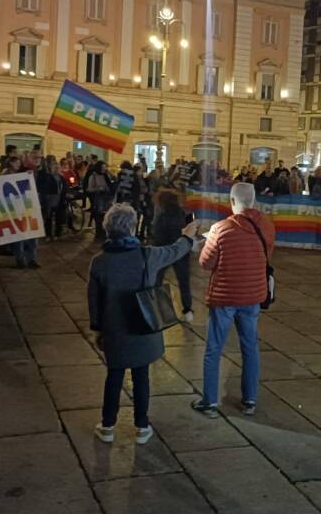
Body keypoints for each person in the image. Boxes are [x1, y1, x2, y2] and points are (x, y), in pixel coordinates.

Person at [88, 204, 199, 444]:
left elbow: (94, 301)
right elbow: (175, 250)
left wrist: (97, 330)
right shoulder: (146, 255)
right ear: (131, 228)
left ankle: (107, 426)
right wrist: (188, 235)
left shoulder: (99, 262)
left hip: (114, 330)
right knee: (141, 377)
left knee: (114, 377)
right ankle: (141, 426)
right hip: (142, 328)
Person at [192, 182, 275, 418]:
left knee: (214, 349)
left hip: (225, 297)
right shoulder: (267, 227)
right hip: (252, 297)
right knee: (250, 348)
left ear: (231, 201)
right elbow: (265, 255)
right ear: (254, 201)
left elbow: (206, 263)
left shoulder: (220, 228)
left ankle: (209, 401)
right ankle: (250, 400)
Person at [152, 190, 195, 322]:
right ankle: (187, 310)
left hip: (164, 251)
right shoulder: (185, 213)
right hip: (181, 250)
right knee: (184, 281)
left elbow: (157, 235)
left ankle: (158, 309)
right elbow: (191, 231)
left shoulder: (162, 215)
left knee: (156, 280)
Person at [87, 161, 114, 239]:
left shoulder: (106, 175)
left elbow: (112, 181)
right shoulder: (93, 176)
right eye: (103, 167)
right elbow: (90, 188)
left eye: (105, 167)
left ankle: (105, 233)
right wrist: (98, 189)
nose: (104, 169)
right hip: (98, 199)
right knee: (99, 217)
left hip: (107, 199)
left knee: (107, 217)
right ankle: (99, 234)